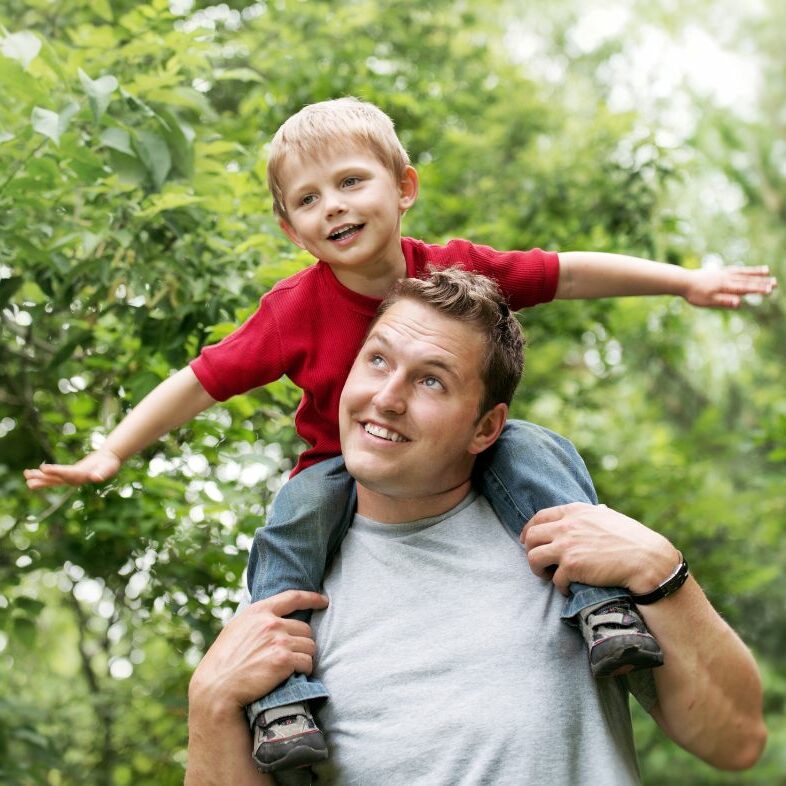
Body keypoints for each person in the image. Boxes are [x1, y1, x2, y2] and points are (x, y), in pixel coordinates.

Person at [24, 98, 776, 773]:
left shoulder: (455, 272)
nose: (335, 207)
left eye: (352, 182)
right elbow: (200, 379)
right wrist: (111, 451)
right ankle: (285, 700)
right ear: (291, 228)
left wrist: (683, 281)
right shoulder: (292, 310)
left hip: (545, 509)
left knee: (538, 452)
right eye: (309, 199)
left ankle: (599, 604)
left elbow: (569, 274)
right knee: (290, 527)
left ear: (403, 188)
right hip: (330, 468)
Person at [185, 268, 766, 785]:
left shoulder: (572, 550)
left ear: (486, 428)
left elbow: (735, 740)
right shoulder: (289, 602)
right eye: (378, 360)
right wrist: (210, 708)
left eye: (431, 380)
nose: (387, 398)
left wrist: (665, 573)